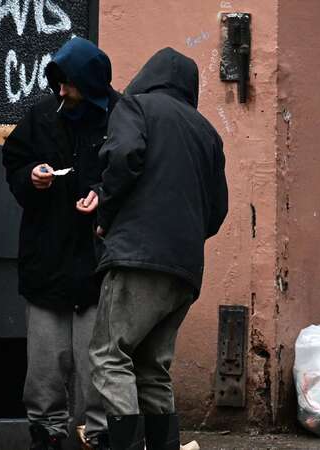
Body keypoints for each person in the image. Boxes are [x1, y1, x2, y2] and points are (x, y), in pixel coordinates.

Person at [89, 47, 228, 450]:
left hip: (137, 256)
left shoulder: (136, 106)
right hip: (184, 269)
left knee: (110, 355)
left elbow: (123, 156)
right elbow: (217, 211)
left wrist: (106, 213)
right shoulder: (207, 132)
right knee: (152, 367)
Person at [2, 37, 121, 450]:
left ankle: (98, 435)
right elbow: (14, 162)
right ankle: (47, 434)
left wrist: (103, 198)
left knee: (97, 364)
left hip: (98, 261)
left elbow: (136, 173)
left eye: (69, 83)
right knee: (45, 364)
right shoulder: (40, 117)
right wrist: (31, 176)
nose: (61, 91)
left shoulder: (122, 118)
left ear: (90, 83)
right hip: (47, 258)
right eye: (58, 82)